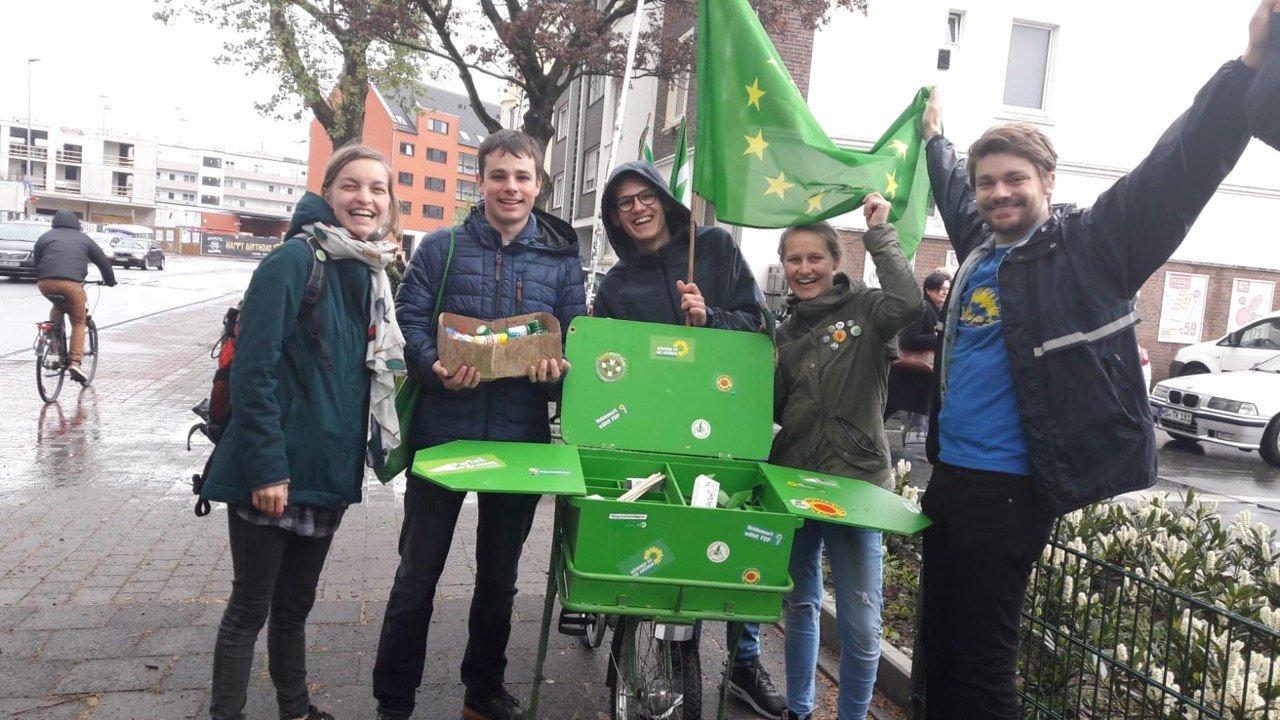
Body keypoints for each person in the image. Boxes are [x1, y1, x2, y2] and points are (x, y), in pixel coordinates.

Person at [917, 3, 1278, 716]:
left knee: (981, 662)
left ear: (1046, 181)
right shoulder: (982, 250)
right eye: (987, 181)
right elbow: (955, 194)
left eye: (1013, 178)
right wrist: (936, 140)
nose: (996, 193)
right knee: (939, 647)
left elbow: (1177, 168)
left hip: (1011, 490)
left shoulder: (1090, 248)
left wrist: (1245, 66)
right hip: (951, 479)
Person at [373, 129, 587, 720]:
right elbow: (409, 325)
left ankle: (483, 691)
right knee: (418, 574)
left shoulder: (562, 262)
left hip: (520, 438)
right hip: (444, 430)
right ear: (481, 181)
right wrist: (434, 366)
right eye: (499, 175)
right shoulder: (440, 249)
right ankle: (394, 700)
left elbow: (577, 344)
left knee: (500, 579)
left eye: (522, 177)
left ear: (539, 186)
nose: (510, 187)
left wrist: (554, 374)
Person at [199, 143, 407, 720]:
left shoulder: (367, 269)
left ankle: (296, 709)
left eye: (377, 189)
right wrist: (267, 467)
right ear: (329, 192)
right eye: (351, 186)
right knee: (250, 607)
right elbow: (253, 369)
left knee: (295, 608)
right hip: (274, 469)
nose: (364, 198)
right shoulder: (296, 260)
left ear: (389, 203)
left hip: (326, 470)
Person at [593, 160, 783, 719]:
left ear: (663, 198)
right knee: (646, 539)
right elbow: (604, 361)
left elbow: (759, 328)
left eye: (645, 195)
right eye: (624, 203)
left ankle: (744, 663)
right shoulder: (616, 285)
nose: (637, 208)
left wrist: (712, 317)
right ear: (615, 218)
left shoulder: (716, 249)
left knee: (731, 543)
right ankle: (629, 627)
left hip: (716, 426)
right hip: (646, 431)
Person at [770, 200, 922, 720]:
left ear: (835, 260)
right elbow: (774, 407)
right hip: (795, 481)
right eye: (794, 259)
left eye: (815, 258)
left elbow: (910, 303)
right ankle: (798, 708)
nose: (804, 269)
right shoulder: (785, 330)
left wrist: (879, 233)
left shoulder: (869, 310)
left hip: (856, 483)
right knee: (800, 604)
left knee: (861, 622)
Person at [33, 210, 117, 383]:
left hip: (45, 283)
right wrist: (110, 281)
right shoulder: (84, 239)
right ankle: (75, 362)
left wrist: (44, 275)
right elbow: (103, 263)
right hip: (72, 285)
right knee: (79, 321)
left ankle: (55, 347)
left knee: (58, 306)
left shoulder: (45, 237)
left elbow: (37, 260)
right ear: (76, 224)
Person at [885, 271, 949, 443]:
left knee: (889, 410)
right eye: (941, 288)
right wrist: (937, 338)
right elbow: (908, 339)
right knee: (885, 410)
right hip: (909, 374)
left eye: (947, 289)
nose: (945, 292)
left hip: (916, 376)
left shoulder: (935, 310)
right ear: (929, 289)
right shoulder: (922, 309)